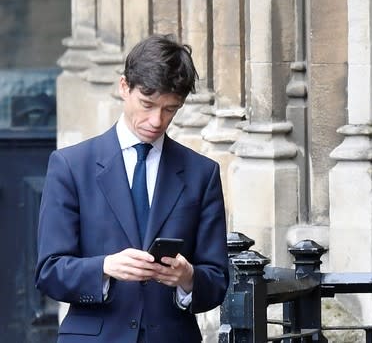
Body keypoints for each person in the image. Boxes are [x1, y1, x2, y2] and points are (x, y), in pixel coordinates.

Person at [35, 34, 229, 343]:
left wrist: (188, 279)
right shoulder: (70, 166)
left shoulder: (202, 173)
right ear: (124, 87)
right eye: (148, 104)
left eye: (170, 109)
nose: (157, 120)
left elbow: (217, 280)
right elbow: (49, 272)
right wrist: (105, 267)